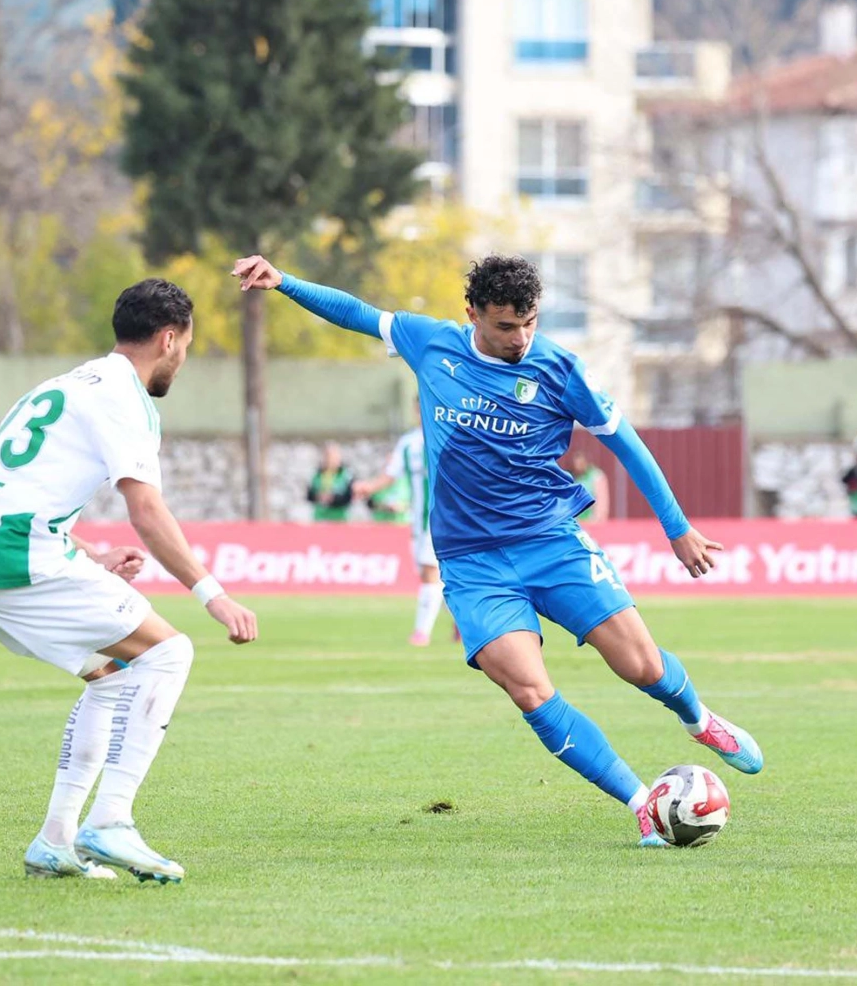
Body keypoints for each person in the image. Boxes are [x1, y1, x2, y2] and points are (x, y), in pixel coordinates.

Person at [235, 252, 762, 847]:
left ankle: (700, 720)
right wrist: (284, 282)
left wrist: (677, 527)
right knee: (530, 691)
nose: (520, 338)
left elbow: (627, 444)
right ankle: (644, 806)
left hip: (550, 541)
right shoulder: (431, 343)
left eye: (529, 323)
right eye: (506, 326)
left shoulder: (560, 369)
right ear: (473, 314)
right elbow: (357, 313)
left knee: (641, 665)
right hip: (471, 564)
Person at [0, 278, 258, 883]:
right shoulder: (126, 397)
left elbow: (20, 491)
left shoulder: (63, 385)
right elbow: (147, 511)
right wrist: (212, 594)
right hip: (19, 558)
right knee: (169, 652)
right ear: (168, 340)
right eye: (187, 346)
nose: (183, 359)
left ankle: (55, 841)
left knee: (112, 675)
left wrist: (88, 555)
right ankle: (111, 820)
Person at [355, 399, 457, 646]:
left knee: (430, 572)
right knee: (437, 575)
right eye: (419, 408)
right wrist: (369, 487)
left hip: (444, 519)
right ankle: (461, 621)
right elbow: (391, 475)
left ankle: (421, 633)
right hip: (418, 521)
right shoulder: (409, 442)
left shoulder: (449, 434)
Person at [307, 442, 355, 522]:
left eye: (334, 457)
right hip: (320, 517)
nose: (331, 460)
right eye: (328, 456)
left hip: (339, 517)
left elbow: (350, 496)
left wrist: (333, 498)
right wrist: (318, 496)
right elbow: (309, 495)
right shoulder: (318, 475)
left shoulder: (346, 475)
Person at [561, 451, 610, 523]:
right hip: (576, 520)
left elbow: (602, 499)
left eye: (580, 464)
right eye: (576, 464)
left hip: (592, 519)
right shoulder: (570, 477)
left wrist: (599, 516)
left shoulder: (596, 476)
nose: (578, 467)